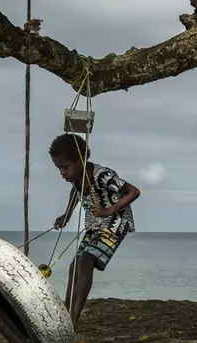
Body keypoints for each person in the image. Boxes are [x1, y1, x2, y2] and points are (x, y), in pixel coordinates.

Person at [49, 133, 141, 329]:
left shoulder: (103, 175)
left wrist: (109, 210)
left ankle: (73, 319)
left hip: (115, 223)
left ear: (80, 160)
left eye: (65, 167)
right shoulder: (76, 179)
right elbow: (76, 191)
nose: (62, 173)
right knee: (76, 265)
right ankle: (67, 313)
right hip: (95, 225)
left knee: (86, 260)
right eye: (59, 168)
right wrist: (66, 215)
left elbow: (133, 191)